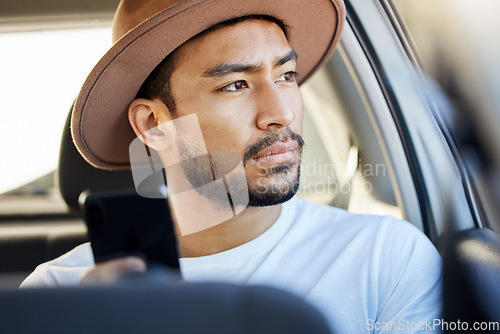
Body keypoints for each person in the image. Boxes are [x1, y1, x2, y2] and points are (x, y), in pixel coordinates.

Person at [21, 0, 442, 332]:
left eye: (287, 75)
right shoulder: (59, 295)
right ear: (153, 124)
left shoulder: (387, 258)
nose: (281, 114)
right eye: (235, 84)